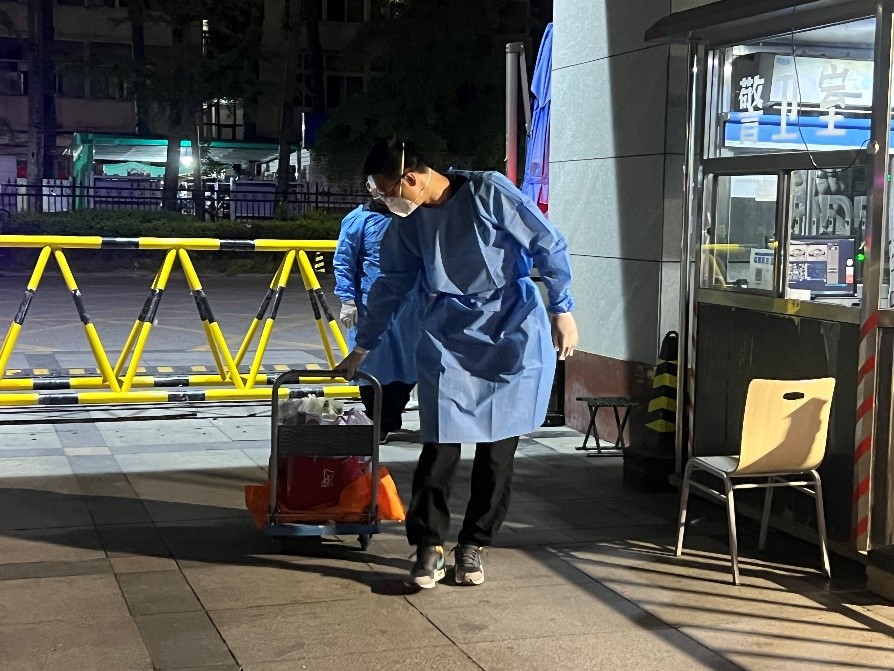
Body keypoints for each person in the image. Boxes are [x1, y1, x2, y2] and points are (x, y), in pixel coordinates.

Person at [336, 138, 578, 589]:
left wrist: (561, 308)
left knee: (497, 453)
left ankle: (473, 544)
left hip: (511, 329)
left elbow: (547, 242)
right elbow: (390, 283)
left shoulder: (489, 192)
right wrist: (363, 345)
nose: (386, 202)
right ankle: (428, 545)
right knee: (439, 444)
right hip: (448, 332)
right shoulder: (408, 223)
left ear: (410, 178)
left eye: (388, 192)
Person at [333, 201, 423, 440]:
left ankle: (390, 416)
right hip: (370, 304)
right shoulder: (358, 220)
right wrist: (347, 298)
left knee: (407, 366)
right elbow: (344, 259)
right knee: (370, 365)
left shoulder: (414, 216)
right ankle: (378, 421)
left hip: (410, 305)